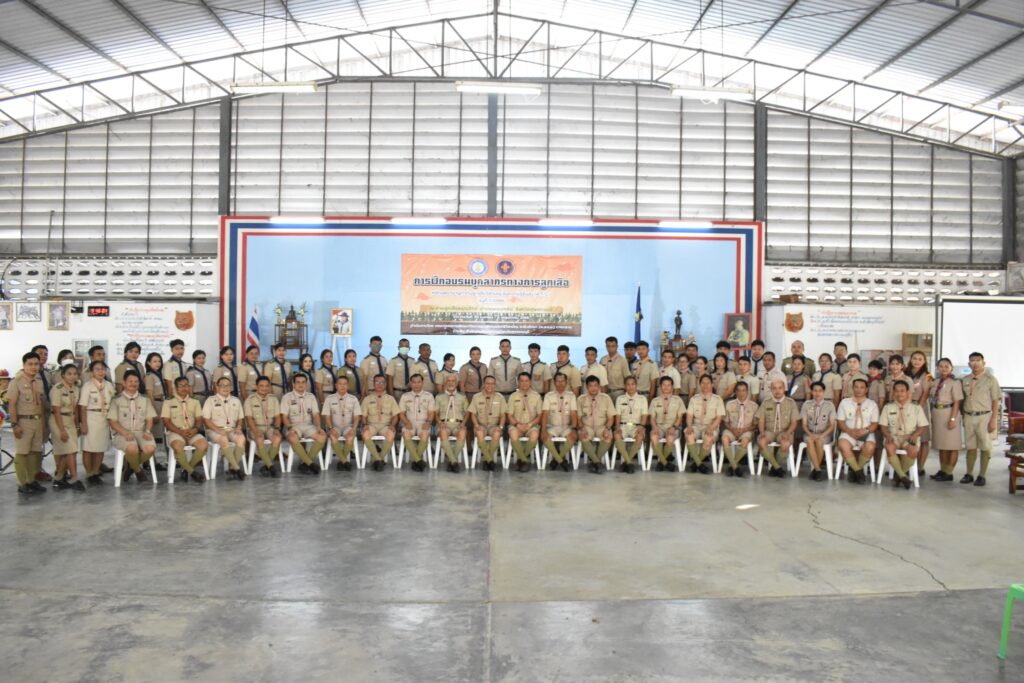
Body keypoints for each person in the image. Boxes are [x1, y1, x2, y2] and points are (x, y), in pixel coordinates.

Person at [108, 371, 157, 483]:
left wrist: (148, 431)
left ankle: (131, 466)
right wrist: (125, 433)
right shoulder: (116, 400)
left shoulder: (145, 399)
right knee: (132, 448)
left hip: (141, 431)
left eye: (136, 381)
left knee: (150, 449)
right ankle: (138, 470)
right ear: (124, 383)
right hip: (122, 433)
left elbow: (149, 419)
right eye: (130, 381)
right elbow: (113, 422)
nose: (133, 384)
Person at [960, 351, 1000, 487]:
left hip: (985, 416)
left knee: (985, 446)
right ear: (969, 364)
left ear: (984, 363)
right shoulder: (965, 380)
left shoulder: (990, 379)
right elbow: (963, 399)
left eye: (978, 360)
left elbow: (995, 401)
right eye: (972, 361)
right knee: (970, 446)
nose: (975, 363)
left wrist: (993, 420)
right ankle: (969, 473)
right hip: (969, 416)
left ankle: (982, 475)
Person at [880, 379, 929, 490]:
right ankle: (903, 476)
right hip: (894, 436)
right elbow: (883, 426)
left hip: (910, 436)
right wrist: (887, 435)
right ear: (893, 393)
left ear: (908, 392)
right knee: (889, 447)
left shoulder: (916, 407)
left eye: (902, 391)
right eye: (897, 391)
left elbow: (922, 426)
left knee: (913, 450)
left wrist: (916, 434)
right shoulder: (888, 407)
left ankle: (898, 476)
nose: (899, 393)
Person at [9, 351, 47, 494]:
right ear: (24, 365)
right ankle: (22, 483)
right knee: (22, 452)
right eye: (30, 364)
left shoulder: (38, 381)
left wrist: (42, 423)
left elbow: (40, 403)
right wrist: (15, 424)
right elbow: (12, 405)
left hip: (37, 421)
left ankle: (31, 480)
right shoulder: (16, 382)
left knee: (35, 453)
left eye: (36, 364)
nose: (33, 367)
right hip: (23, 421)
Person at [162, 377, 209, 483]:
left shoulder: (195, 401)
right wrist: (180, 432)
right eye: (181, 386)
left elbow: (199, 419)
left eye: (186, 385)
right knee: (177, 446)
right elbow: (166, 422)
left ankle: (186, 470)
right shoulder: (168, 402)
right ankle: (192, 472)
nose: (184, 388)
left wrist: (195, 429)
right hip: (175, 432)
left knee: (203, 445)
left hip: (192, 431)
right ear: (176, 388)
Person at [836, 378, 880, 485]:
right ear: (852, 388)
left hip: (866, 433)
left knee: (870, 447)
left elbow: (875, 424)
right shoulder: (844, 402)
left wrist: (865, 430)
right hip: (848, 432)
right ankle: (859, 472)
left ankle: (854, 470)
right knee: (843, 445)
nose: (858, 390)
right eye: (856, 387)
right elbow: (840, 422)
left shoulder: (872, 404)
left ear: (866, 389)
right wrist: (849, 431)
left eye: (862, 387)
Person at [280, 374, 326, 475]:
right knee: (292, 437)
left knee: (322, 436)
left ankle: (304, 463)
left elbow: (315, 415)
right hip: (293, 425)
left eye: (303, 382)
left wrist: (318, 427)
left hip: (308, 425)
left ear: (306, 384)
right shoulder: (287, 397)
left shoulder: (311, 397)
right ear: (293, 384)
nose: (301, 384)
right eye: (298, 382)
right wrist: (289, 428)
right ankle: (310, 463)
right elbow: (284, 416)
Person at [203, 377, 248, 479]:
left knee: (241, 439)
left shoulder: (236, 400)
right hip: (215, 430)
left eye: (228, 385)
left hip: (232, 429)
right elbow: (206, 420)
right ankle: (237, 469)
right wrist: (218, 430)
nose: (225, 387)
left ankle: (232, 468)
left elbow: (240, 418)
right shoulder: (210, 400)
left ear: (231, 387)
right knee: (223, 439)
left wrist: (239, 427)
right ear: (217, 387)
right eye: (222, 385)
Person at [79, 360, 115, 485]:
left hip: (104, 419)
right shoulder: (87, 386)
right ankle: (89, 473)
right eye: (97, 369)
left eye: (103, 369)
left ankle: (95, 471)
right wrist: (83, 424)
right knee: (88, 448)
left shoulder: (109, 386)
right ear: (92, 372)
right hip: (91, 418)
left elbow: (113, 403)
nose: (100, 372)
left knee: (100, 447)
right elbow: (82, 407)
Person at [49, 363, 84, 491]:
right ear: (63, 375)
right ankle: (74, 478)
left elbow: (75, 409)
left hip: (70, 420)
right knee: (71, 451)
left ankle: (58, 478)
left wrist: (77, 425)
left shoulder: (76, 388)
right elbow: (56, 411)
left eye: (75, 374)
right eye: (69, 374)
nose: (72, 376)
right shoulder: (57, 389)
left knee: (70, 450)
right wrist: (62, 430)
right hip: (58, 421)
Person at [756, 378, 799, 478]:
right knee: (761, 442)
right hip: (769, 431)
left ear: (784, 389)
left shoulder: (791, 402)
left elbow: (794, 422)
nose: (777, 391)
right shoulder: (766, 402)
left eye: (780, 388)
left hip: (785, 431)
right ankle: (777, 467)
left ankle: (774, 468)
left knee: (785, 443)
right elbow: (761, 420)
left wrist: (788, 433)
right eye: (774, 388)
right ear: (771, 390)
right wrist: (761, 432)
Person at [929, 358, 964, 482]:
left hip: (949, 413)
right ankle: (943, 470)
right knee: (942, 444)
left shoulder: (955, 382)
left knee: (951, 445)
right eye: (941, 366)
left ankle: (949, 472)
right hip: (937, 414)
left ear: (951, 367)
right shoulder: (935, 381)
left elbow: (957, 402)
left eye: (946, 366)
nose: (943, 368)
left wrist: (953, 418)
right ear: (937, 368)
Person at [244, 376, 284, 477]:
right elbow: (249, 419)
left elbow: (277, 417)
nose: (264, 388)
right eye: (261, 386)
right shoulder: (249, 400)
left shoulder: (274, 399)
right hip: (255, 427)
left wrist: (277, 429)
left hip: (270, 427)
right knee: (259, 438)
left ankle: (267, 465)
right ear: (256, 386)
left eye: (266, 386)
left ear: (269, 386)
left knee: (277, 438)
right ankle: (270, 466)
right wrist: (255, 431)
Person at [685, 375, 725, 474]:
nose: (705, 385)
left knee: (708, 438)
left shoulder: (718, 399)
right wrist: (689, 426)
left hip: (711, 426)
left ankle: (696, 463)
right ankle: (700, 464)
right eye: (703, 383)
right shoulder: (694, 399)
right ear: (700, 385)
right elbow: (689, 415)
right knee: (689, 435)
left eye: (708, 383)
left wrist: (711, 428)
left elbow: (719, 418)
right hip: (696, 425)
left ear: (712, 384)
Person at [322, 375, 361, 471]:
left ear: (348, 386)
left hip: (348, 426)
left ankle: (341, 461)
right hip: (334, 427)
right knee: (333, 437)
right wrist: (330, 428)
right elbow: (326, 416)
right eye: (340, 384)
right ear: (336, 385)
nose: (342, 386)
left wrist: (354, 429)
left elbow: (357, 417)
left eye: (345, 384)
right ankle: (345, 461)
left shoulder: (353, 399)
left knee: (350, 437)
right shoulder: (329, 399)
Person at [361, 375, 400, 471]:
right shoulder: (367, 399)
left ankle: (378, 459)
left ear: (385, 384)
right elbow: (363, 416)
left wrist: (393, 425)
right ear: (373, 384)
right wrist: (365, 425)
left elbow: (395, 416)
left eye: (382, 382)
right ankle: (379, 460)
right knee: (365, 434)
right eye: (377, 382)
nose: (380, 384)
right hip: (371, 425)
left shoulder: (390, 399)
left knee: (391, 434)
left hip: (385, 425)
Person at [540, 372, 578, 471]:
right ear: (554, 382)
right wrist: (543, 430)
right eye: (558, 381)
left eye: (562, 381)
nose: (560, 383)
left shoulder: (571, 396)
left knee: (573, 437)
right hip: (552, 426)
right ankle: (561, 460)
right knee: (545, 437)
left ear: (566, 382)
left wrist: (574, 429)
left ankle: (557, 459)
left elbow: (574, 414)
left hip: (566, 426)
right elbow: (545, 414)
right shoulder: (549, 396)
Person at [398, 373, 436, 472]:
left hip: (423, 422)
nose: (416, 384)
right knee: (406, 434)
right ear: (411, 383)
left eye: (419, 382)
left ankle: (416, 460)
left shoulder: (429, 396)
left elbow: (431, 413)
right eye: (414, 382)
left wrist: (428, 422)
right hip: (409, 422)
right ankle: (418, 460)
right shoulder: (405, 396)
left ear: (422, 383)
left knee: (424, 434)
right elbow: (401, 414)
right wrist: (406, 422)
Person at [578, 375, 615, 474]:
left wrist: (607, 428)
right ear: (586, 386)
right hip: (587, 426)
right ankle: (597, 462)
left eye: (595, 385)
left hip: (601, 426)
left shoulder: (606, 398)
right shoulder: (581, 399)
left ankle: (594, 462)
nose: (593, 388)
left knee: (608, 437)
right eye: (590, 385)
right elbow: (578, 418)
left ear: (599, 386)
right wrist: (582, 428)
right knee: (583, 436)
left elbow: (611, 418)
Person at [468, 376, 507, 470]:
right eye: (488, 383)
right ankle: (490, 460)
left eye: (492, 384)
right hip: (481, 425)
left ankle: (487, 459)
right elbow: (473, 414)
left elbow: (503, 415)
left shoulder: (500, 397)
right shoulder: (476, 397)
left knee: (497, 433)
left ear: (495, 385)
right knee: (479, 433)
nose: (490, 386)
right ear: (484, 384)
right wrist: (476, 425)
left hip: (494, 425)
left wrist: (501, 427)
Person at [506, 371, 542, 472]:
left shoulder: (536, 396)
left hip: (532, 425)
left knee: (534, 434)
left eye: (526, 381)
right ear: (518, 382)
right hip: (516, 425)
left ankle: (521, 459)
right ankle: (524, 460)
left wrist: (530, 424)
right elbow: (509, 415)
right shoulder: (513, 396)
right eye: (521, 381)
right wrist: (517, 425)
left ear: (530, 382)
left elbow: (540, 415)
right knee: (513, 433)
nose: (524, 383)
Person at [801, 381, 837, 481]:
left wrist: (822, 435)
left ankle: (815, 470)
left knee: (820, 441)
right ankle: (818, 470)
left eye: (820, 391)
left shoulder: (830, 405)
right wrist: (810, 434)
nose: (817, 393)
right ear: (812, 392)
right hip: (809, 433)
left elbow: (832, 425)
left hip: (824, 434)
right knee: (810, 441)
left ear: (823, 392)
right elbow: (804, 424)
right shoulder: (806, 404)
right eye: (815, 391)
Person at [721, 380, 758, 477]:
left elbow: (755, 425)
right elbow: (725, 422)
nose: (741, 393)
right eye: (739, 390)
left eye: (744, 390)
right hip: (732, 429)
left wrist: (744, 430)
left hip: (746, 430)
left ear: (747, 391)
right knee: (724, 439)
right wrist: (732, 429)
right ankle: (736, 467)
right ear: (735, 392)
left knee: (745, 441)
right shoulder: (729, 404)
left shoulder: (754, 406)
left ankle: (731, 466)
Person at [906, 350, 933, 477]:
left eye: (920, 359)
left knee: (923, 439)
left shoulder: (929, 375)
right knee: (908, 436)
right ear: (910, 360)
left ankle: (920, 466)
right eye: (914, 358)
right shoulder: (904, 372)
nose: (917, 361)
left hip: (921, 407)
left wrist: (918, 409)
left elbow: (926, 393)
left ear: (924, 361)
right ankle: (907, 465)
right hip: (906, 407)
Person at [649, 376, 685, 471]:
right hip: (659, 426)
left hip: (673, 426)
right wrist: (654, 428)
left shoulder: (678, 400)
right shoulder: (655, 401)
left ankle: (661, 462)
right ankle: (665, 463)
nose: (666, 387)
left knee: (670, 437)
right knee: (654, 436)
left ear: (672, 387)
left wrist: (674, 427)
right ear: (660, 386)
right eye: (664, 385)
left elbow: (680, 418)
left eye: (668, 385)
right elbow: (652, 418)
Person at [613, 376, 648, 473]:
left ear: (636, 385)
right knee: (617, 435)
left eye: (633, 384)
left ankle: (626, 462)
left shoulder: (642, 399)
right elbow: (618, 416)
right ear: (625, 386)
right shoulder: (620, 399)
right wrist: (617, 427)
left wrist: (642, 427)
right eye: (628, 384)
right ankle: (629, 462)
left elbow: (644, 415)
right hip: (623, 425)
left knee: (640, 436)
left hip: (637, 426)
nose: (630, 387)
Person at [436, 373, 469, 472]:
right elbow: (435, 413)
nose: (450, 383)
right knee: (443, 432)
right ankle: (454, 462)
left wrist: (463, 424)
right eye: (448, 381)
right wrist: (439, 422)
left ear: (457, 383)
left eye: (453, 381)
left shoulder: (462, 397)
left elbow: (467, 412)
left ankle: (451, 461)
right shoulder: (439, 397)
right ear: (445, 383)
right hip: (444, 424)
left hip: (458, 424)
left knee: (462, 432)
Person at [144, 353, 167, 442]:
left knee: (162, 431)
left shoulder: (159, 374)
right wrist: (153, 411)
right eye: (154, 361)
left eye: (159, 361)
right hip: (155, 403)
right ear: (149, 363)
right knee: (156, 432)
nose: (158, 363)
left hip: (162, 403)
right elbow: (149, 393)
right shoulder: (149, 376)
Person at [600, 336, 631, 401]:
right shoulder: (602, 359)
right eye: (608, 346)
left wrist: (628, 393)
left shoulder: (622, 360)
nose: (610, 348)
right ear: (606, 347)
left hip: (619, 392)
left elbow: (627, 377)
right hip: (605, 392)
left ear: (617, 346)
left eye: (613, 346)